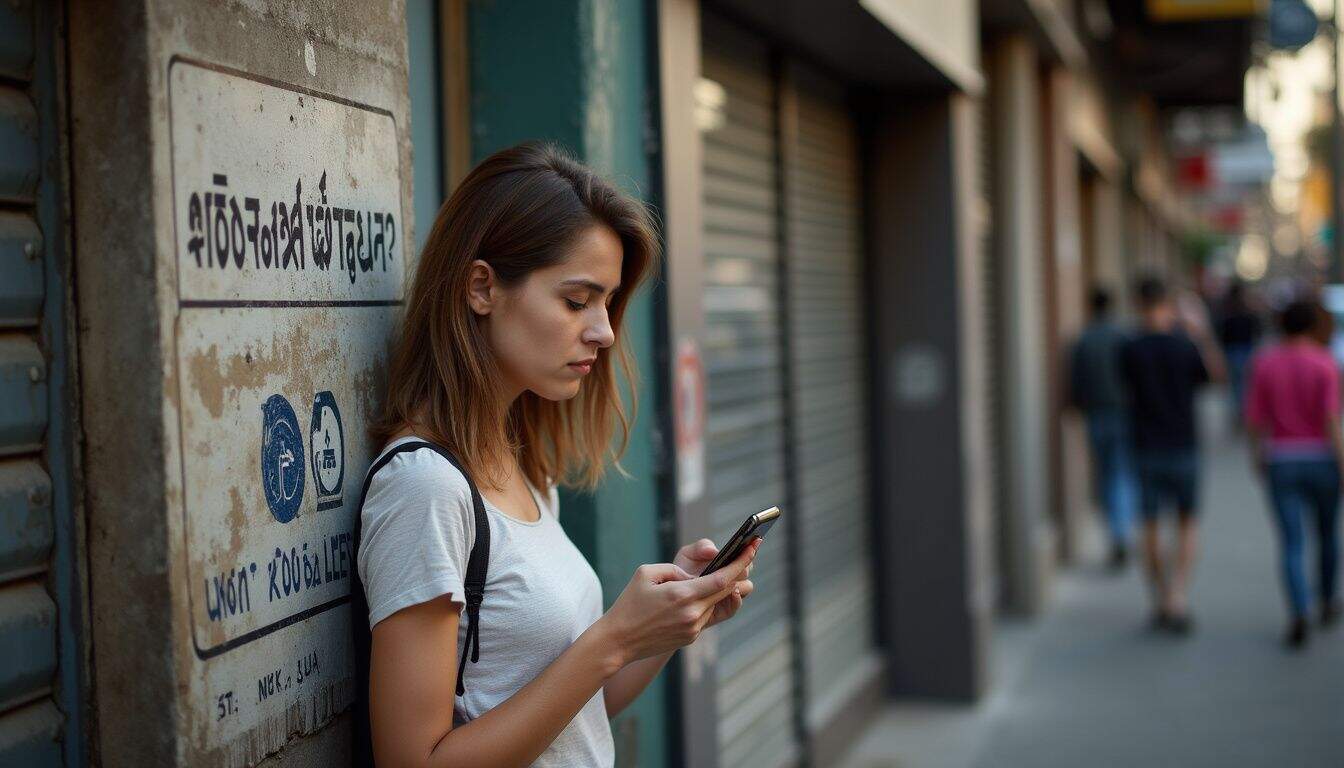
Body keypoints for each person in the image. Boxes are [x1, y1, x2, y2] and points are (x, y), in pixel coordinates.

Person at [355, 143, 759, 766]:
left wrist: (658, 632)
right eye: (577, 300)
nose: (604, 330)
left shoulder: (521, 467)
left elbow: (570, 722)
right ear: (482, 287)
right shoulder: (425, 487)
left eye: (606, 302)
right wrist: (615, 635)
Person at [1120, 277, 1222, 635]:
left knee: (1148, 525)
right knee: (1186, 522)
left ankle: (1159, 597)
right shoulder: (1185, 345)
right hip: (1184, 446)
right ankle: (1178, 596)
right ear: (1168, 304)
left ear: (1137, 303)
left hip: (1145, 446)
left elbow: (1124, 392)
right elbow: (1215, 377)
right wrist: (1201, 333)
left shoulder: (1130, 348)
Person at [1245, 299, 1343, 650]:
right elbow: (1332, 420)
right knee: (1327, 534)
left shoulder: (1265, 363)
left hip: (1282, 459)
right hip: (1321, 459)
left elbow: (1256, 420)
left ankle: (1299, 610)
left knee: (1291, 542)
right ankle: (1328, 600)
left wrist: (1256, 456)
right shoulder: (1325, 363)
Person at [1068, 286, 1136, 569]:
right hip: (1123, 414)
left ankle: (1115, 533)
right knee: (1121, 475)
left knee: (1107, 476)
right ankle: (1122, 532)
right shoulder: (1123, 337)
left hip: (1096, 415)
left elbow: (1076, 381)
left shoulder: (1084, 339)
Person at [1216, 281, 1262, 429]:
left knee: (1235, 385)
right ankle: (1244, 412)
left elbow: (1222, 334)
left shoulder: (1227, 311)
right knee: (1245, 384)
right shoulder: (1248, 311)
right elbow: (1257, 330)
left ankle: (1239, 412)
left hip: (1232, 351)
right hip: (1245, 351)